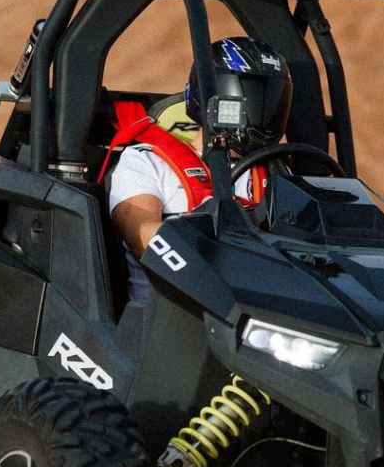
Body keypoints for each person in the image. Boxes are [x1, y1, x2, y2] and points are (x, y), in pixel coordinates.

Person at [109, 37, 292, 299]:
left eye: (273, 101)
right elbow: (144, 239)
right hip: (172, 318)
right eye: (255, 96)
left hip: (262, 314)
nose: (264, 113)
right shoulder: (145, 161)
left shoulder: (278, 171)